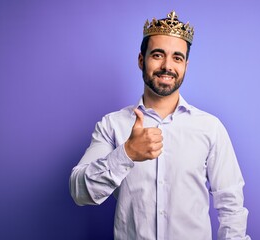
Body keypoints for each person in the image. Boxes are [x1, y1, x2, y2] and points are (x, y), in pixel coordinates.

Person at [69, 10, 250, 240]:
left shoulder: (210, 128)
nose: (167, 66)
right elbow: (79, 191)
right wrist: (126, 154)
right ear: (141, 60)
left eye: (177, 57)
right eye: (157, 55)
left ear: (185, 64)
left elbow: (231, 205)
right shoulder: (112, 125)